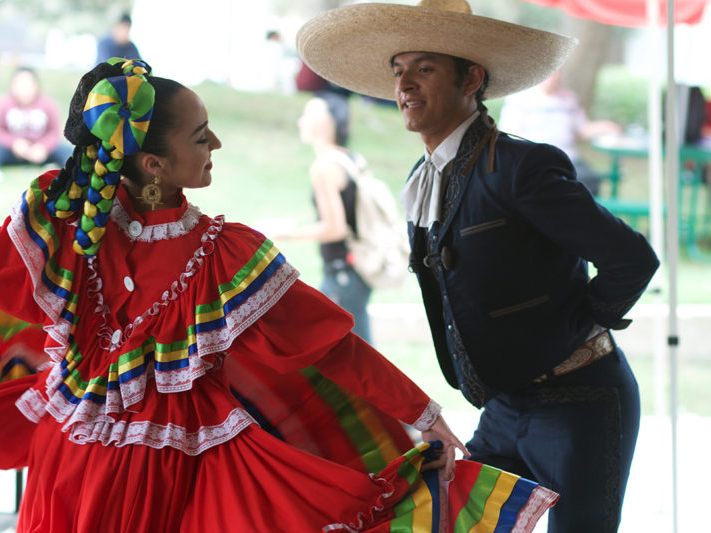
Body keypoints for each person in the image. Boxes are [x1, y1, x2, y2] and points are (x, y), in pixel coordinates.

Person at [0, 57, 560, 532]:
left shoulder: (68, 225)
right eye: (200, 135)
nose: (216, 142)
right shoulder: (221, 253)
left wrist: (420, 411)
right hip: (162, 476)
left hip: (67, 457)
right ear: (153, 166)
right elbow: (334, 350)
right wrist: (423, 414)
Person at [297, 1, 660, 532]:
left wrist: (575, 328)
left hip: (579, 401)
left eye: (424, 69)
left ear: (472, 78)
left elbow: (631, 259)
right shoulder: (424, 179)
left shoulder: (520, 167)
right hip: (504, 406)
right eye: (399, 71)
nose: (405, 85)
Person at [269, 95, 373, 343]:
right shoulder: (351, 158)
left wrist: (281, 233)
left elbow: (335, 227)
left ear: (327, 123)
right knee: (357, 351)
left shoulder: (324, 167)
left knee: (337, 353)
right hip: (356, 272)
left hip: (341, 275)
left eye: (308, 115)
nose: (301, 121)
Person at [499, 70, 622, 195]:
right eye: (551, 74)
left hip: (569, 158)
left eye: (557, 74)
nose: (554, 78)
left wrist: (605, 127)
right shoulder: (519, 99)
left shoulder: (569, 98)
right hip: (536, 160)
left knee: (589, 181)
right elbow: (511, 133)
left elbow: (582, 129)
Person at [0, 67, 73, 184]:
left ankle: (72, 172)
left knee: (65, 150)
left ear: (36, 86)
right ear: (12, 86)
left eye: (28, 84)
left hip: (40, 152)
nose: (24, 89)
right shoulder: (3, 104)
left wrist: (44, 146)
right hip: (13, 152)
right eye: (19, 85)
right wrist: (13, 143)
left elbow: (54, 131)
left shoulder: (47, 104)